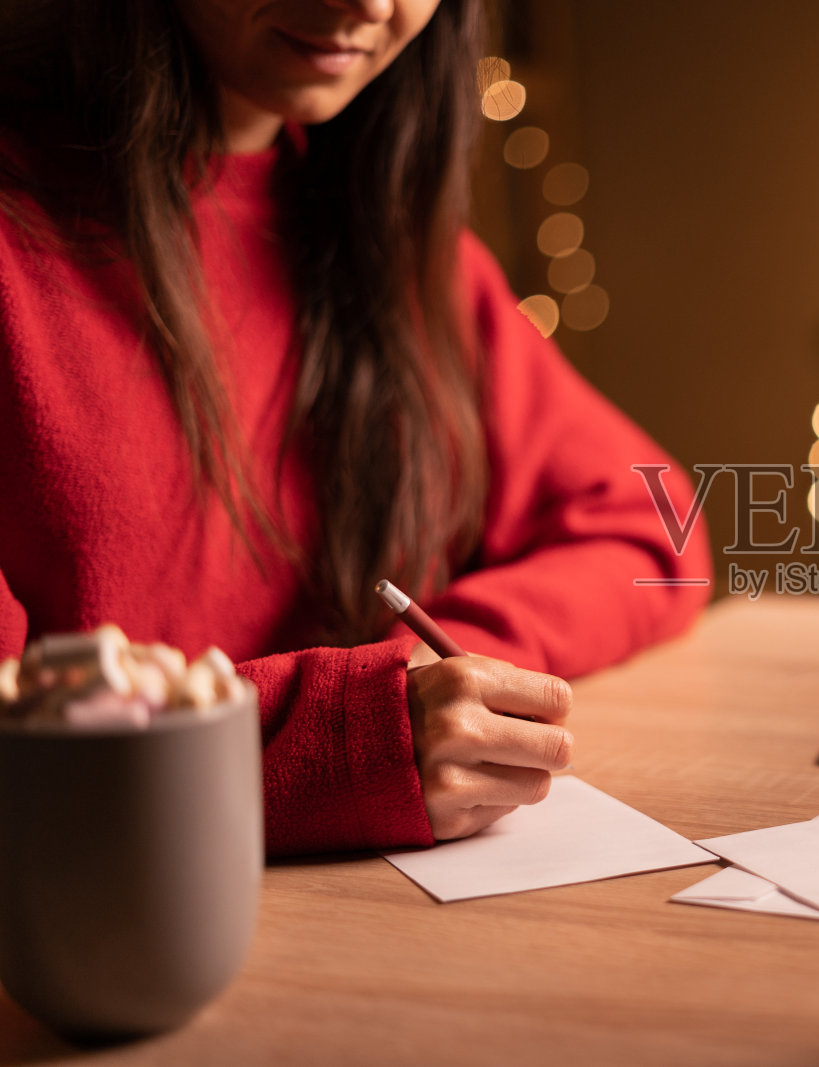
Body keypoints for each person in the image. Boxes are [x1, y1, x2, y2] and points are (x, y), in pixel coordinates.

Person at [0, 0, 711, 855]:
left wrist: (448, 667)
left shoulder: (398, 244)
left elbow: (656, 522)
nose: (372, 2)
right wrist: (337, 736)